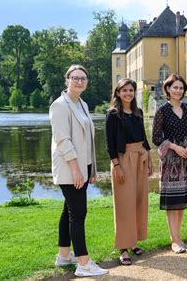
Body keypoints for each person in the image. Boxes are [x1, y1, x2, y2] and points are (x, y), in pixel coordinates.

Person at [50, 64, 108, 277]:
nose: (79, 81)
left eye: (83, 78)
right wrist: (76, 169)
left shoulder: (82, 103)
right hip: (69, 168)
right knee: (78, 213)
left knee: (69, 211)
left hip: (82, 168)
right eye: (75, 78)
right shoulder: (59, 106)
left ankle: (64, 256)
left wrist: (91, 168)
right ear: (67, 80)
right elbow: (63, 141)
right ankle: (83, 263)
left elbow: (88, 141)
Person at [105, 78, 153, 265]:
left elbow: (144, 138)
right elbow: (109, 143)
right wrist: (117, 165)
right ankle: (123, 248)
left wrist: (149, 160)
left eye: (131, 90)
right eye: (124, 90)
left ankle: (133, 241)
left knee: (139, 201)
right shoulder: (112, 115)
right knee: (124, 204)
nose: (128, 93)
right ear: (118, 93)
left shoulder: (138, 112)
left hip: (140, 157)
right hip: (123, 160)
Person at [152, 74, 187, 254]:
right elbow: (156, 138)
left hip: (186, 159)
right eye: (175, 87)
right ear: (168, 89)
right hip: (170, 161)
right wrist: (174, 147)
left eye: (181, 88)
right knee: (172, 201)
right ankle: (175, 240)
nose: (178, 91)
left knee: (181, 201)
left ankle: (177, 237)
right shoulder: (162, 111)